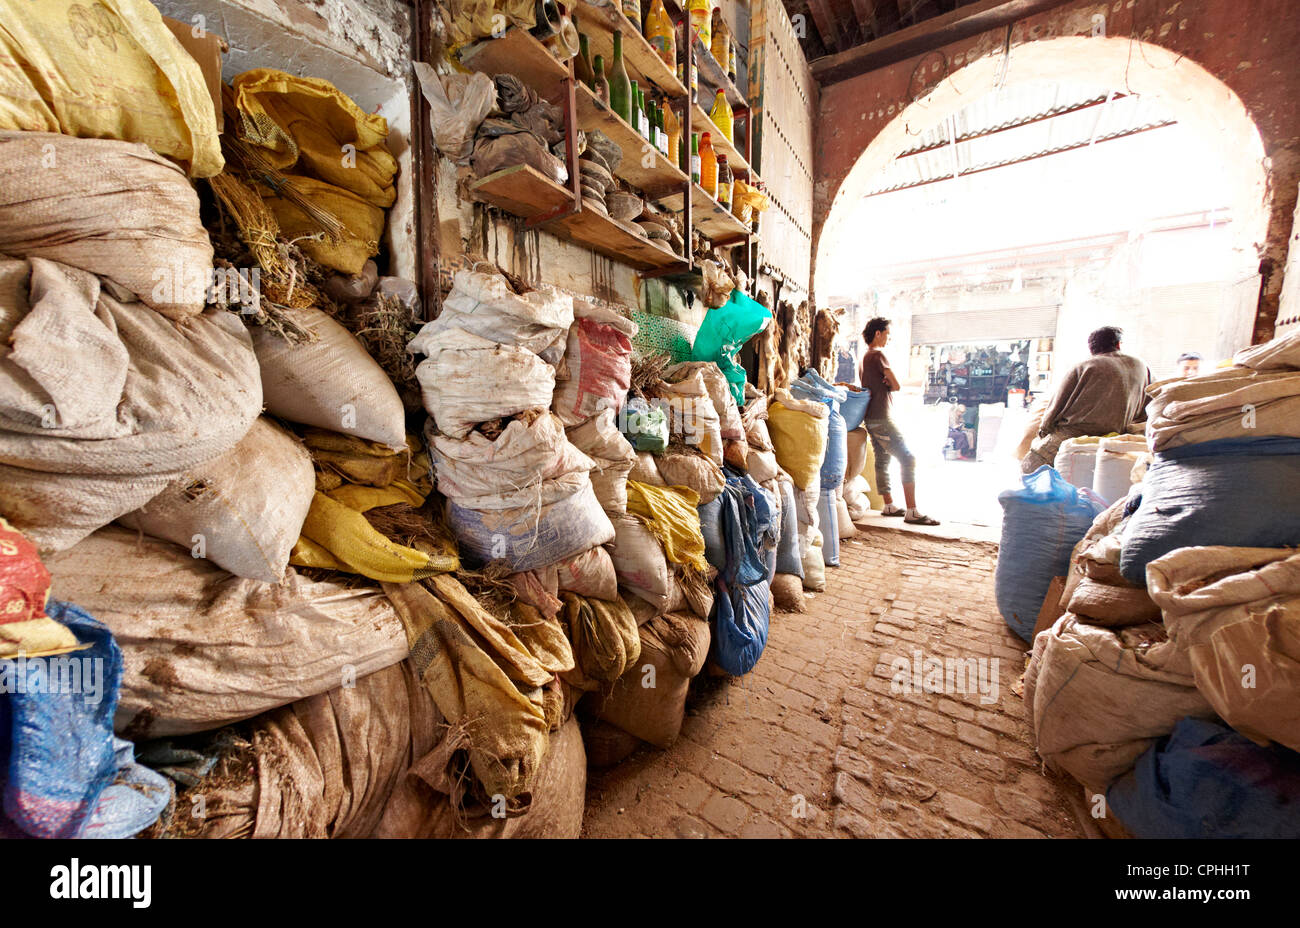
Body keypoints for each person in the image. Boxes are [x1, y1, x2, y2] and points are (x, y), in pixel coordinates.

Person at [1021, 325, 1150, 474]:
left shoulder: (1085, 366)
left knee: (1029, 467)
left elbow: (1055, 406)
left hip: (1075, 433)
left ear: (1091, 349)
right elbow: (1150, 402)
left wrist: (1044, 432)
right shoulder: (1141, 365)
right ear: (1118, 344)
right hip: (1121, 434)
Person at [860, 317, 939, 525]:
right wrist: (889, 382)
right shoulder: (878, 355)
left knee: (882, 459)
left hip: (870, 417)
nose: (888, 338)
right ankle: (912, 511)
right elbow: (895, 385)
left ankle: (888, 505)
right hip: (881, 417)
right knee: (907, 458)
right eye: (887, 333)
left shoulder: (865, 358)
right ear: (878, 333)